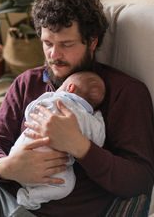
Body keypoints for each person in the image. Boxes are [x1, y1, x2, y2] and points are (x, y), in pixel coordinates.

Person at [0, 0, 154, 217]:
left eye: (66, 45)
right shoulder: (27, 82)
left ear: (92, 42)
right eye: (48, 43)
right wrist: (8, 167)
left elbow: (139, 179)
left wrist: (78, 145)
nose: (54, 55)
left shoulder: (124, 92)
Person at [10, 71, 106, 210]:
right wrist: (98, 118)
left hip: (20, 156)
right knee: (66, 185)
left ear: (70, 87)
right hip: (52, 171)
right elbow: (99, 140)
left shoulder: (52, 99)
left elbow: (29, 113)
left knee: (20, 142)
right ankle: (29, 197)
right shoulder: (87, 119)